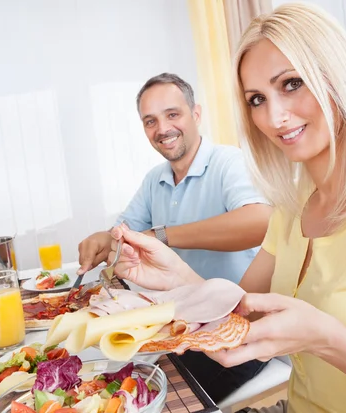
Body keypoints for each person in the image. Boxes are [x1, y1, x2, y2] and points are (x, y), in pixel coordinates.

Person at [107, 3, 346, 413]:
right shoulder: (293, 205)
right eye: (256, 99)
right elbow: (242, 316)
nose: (274, 117)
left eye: (291, 84)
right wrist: (176, 277)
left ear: (338, 76)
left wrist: (329, 339)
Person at [77, 73, 272, 403]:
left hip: (234, 329)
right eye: (150, 121)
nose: (162, 129)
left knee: (155, 400)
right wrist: (102, 238)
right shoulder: (155, 179)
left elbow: (260, 222)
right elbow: (124, 234)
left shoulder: (229, 161)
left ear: (196, 115)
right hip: (182, 323)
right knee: (112, 386)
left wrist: (163, 235)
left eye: (172, 114)